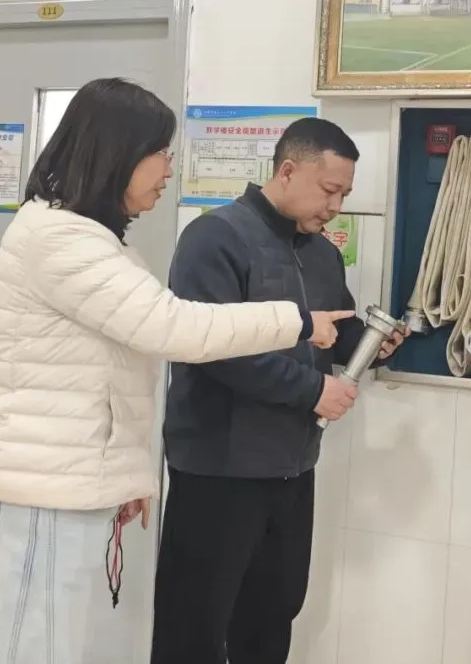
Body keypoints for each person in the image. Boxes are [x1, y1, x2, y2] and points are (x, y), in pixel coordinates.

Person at [0, 79, 353, 664]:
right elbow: (175, 329)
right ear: (117, 152)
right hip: (40, 492)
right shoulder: (60, 239)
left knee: (59, 644)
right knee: (32, 647)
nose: (170, 168)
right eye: (161, 152)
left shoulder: (101, 243)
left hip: (70, 484)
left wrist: (127, 477)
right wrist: (297, 322)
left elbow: (111, 377)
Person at [151, 117, 407, 664]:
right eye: (329, 189)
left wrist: (372, 344)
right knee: (193, 628)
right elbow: (215, 350)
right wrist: (312, 391)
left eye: (344, 194)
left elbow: (331, 334)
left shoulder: (322, 254)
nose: (335, 206)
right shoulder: (214, 238)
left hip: (292, 471)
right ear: (288, 170)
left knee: (271, 620)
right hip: (218, 469)